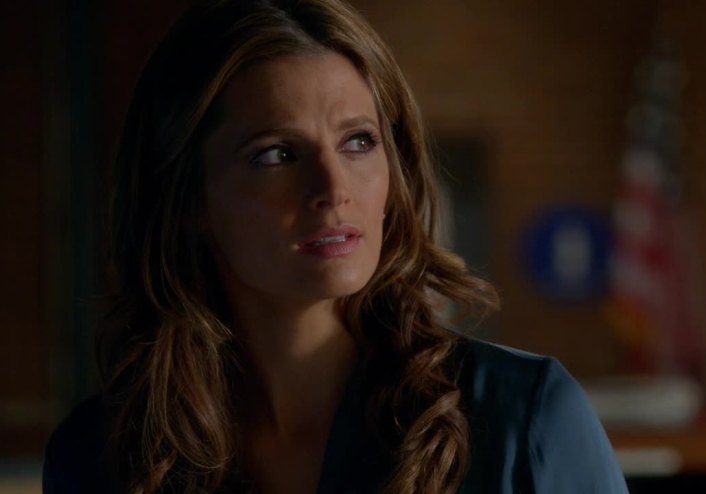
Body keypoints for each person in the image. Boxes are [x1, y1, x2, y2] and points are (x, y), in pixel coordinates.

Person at [43, 0, 628, 492]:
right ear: (187, 195)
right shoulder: (99, 454)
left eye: (359, 142)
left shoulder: (523, 418)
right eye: (277, 154)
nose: (332, 188)